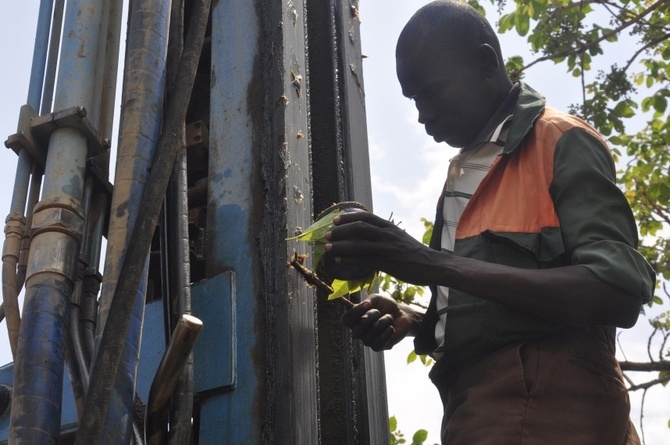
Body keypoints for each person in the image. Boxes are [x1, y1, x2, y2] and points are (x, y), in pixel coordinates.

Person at [323, 1, 657, 444]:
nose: (422, 115)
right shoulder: (466, 173)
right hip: (473, 413)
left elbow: (615, 293)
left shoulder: (559, 140)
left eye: (431, 93)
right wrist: (416, 318)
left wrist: (428, 263)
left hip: (551, 413)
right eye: (413, 100)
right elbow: (503, 311)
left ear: (485, 62)